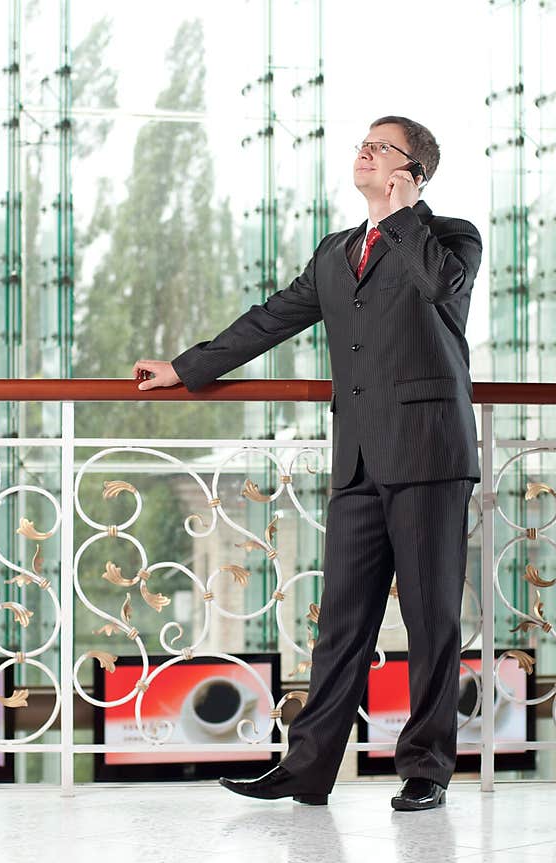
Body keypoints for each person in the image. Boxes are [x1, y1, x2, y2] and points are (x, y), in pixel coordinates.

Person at [131, 115, 482, 812]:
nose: (364, 151)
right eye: (364, 142)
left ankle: (427, 767)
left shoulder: (449, 236)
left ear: (412, 170)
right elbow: (273, 318)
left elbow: (441, 290)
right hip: (355, 459)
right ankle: (309, 766)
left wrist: (404, 215)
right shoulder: (336, 251)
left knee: (431, 617)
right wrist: (185, 367)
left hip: (429, 451)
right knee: (340, 624)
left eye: (380, 147)